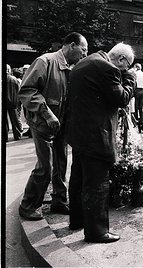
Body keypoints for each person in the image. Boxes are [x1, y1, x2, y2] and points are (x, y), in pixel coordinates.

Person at [66, 43, 135, 243]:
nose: (125, 71)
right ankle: (96, 231)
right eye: (127, 66)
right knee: (97, 183)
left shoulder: (86, 61)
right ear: (121, 59)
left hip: (79, 133)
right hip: (96, 136)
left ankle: (77, 220)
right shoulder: (108, 68)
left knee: (79, 178)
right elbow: (121, 98)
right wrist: (129, 79)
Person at [18, 32, 88, 220]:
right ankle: (28, 205)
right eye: (83, 50)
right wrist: (47, 113)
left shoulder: (70, 68)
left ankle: (59, 200)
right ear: (71, 45)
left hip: (61, 125)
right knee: (45, 167)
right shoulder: (45, 61)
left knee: (61, 163)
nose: (84, 55)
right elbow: (26, 91)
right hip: (42, 123)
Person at [5, 64, 24, 141]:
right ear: (9, 70)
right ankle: (17, 136)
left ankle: (4, 137)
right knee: (15, 120)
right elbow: (19, 90)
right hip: (13, 102)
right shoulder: (14, 79)